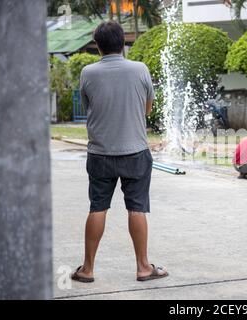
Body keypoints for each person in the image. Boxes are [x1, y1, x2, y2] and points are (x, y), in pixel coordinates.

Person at [71, 21, 168, 283]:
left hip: (100, 153)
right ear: (122, 43)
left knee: (97, 207)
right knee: (137, 209)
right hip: (135, 151)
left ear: (98, 46)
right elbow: (148, 109)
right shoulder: (140, 69)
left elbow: (89, 106)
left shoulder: (88, 72)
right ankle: (143, 267)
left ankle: (88, 269)